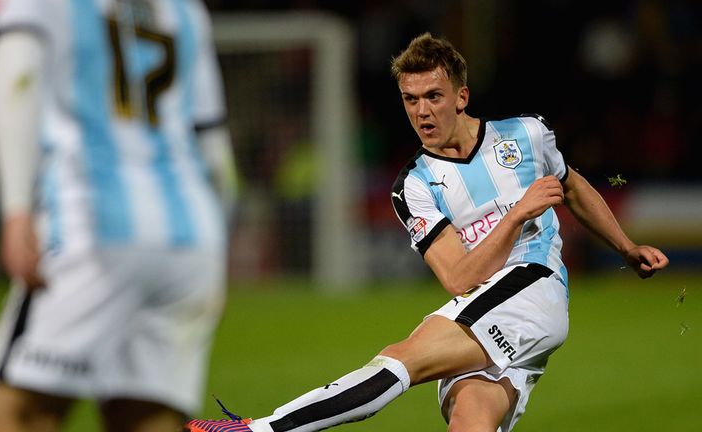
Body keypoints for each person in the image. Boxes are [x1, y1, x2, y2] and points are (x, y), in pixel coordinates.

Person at [185, 33, 669, 432]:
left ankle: (258, 430)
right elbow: (459, 279)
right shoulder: (413, 185)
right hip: (483, 304)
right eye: (410, 100)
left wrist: (626, 248)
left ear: (462, 96)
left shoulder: (527, 134)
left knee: (401, 359)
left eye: (434, 97)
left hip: (535, 286)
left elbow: (572, 185)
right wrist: (517, 213)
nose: (422, 111)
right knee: (469, 423)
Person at [0, 0, 237, 431]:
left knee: (19, 411)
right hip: (192, 236)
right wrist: (217, 245)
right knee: (147, 417)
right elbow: (214, 152)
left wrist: (16, 210)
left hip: (92, 226)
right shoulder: (186, 9)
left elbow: (17, 72)